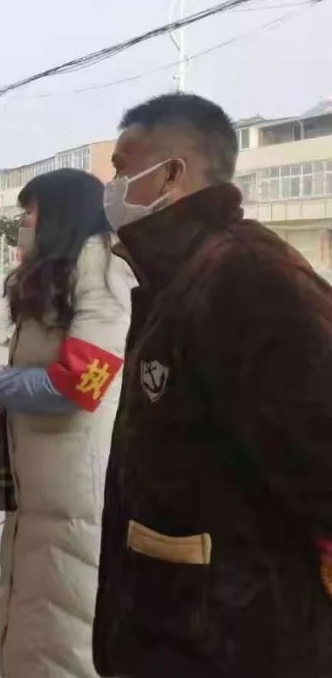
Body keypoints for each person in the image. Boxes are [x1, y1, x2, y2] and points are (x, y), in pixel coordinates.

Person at [92, 93, 332, 677]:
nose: (112, 188)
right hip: (169, 627)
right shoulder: (177, 277)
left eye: (122, 169)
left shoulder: (248, 277)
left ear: (171, 173)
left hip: (231, 641)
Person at [0, 169, 135, 677]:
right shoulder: (60, 272)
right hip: (39, 478)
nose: (24, 224)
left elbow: (83, 383)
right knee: (33, 609)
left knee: (66, 625)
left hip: (73, 486)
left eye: (30, 212)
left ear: (61, 213)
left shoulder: (101, 271)